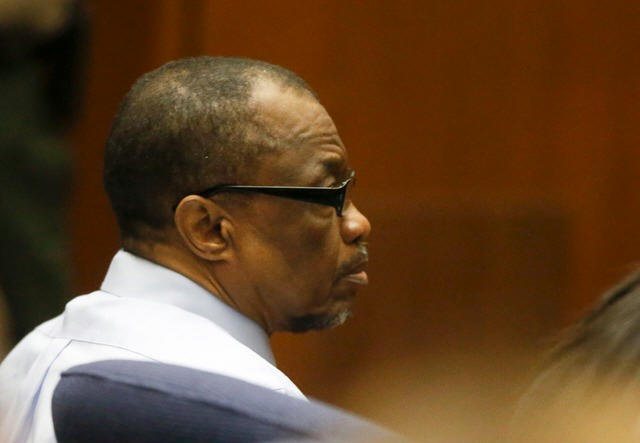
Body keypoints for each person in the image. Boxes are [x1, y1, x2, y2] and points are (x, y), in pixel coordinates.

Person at [0, 56, 371, 443]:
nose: (358, 224)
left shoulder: (31, 357)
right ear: (208, 229)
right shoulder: (243, 413)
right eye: (328, 195)